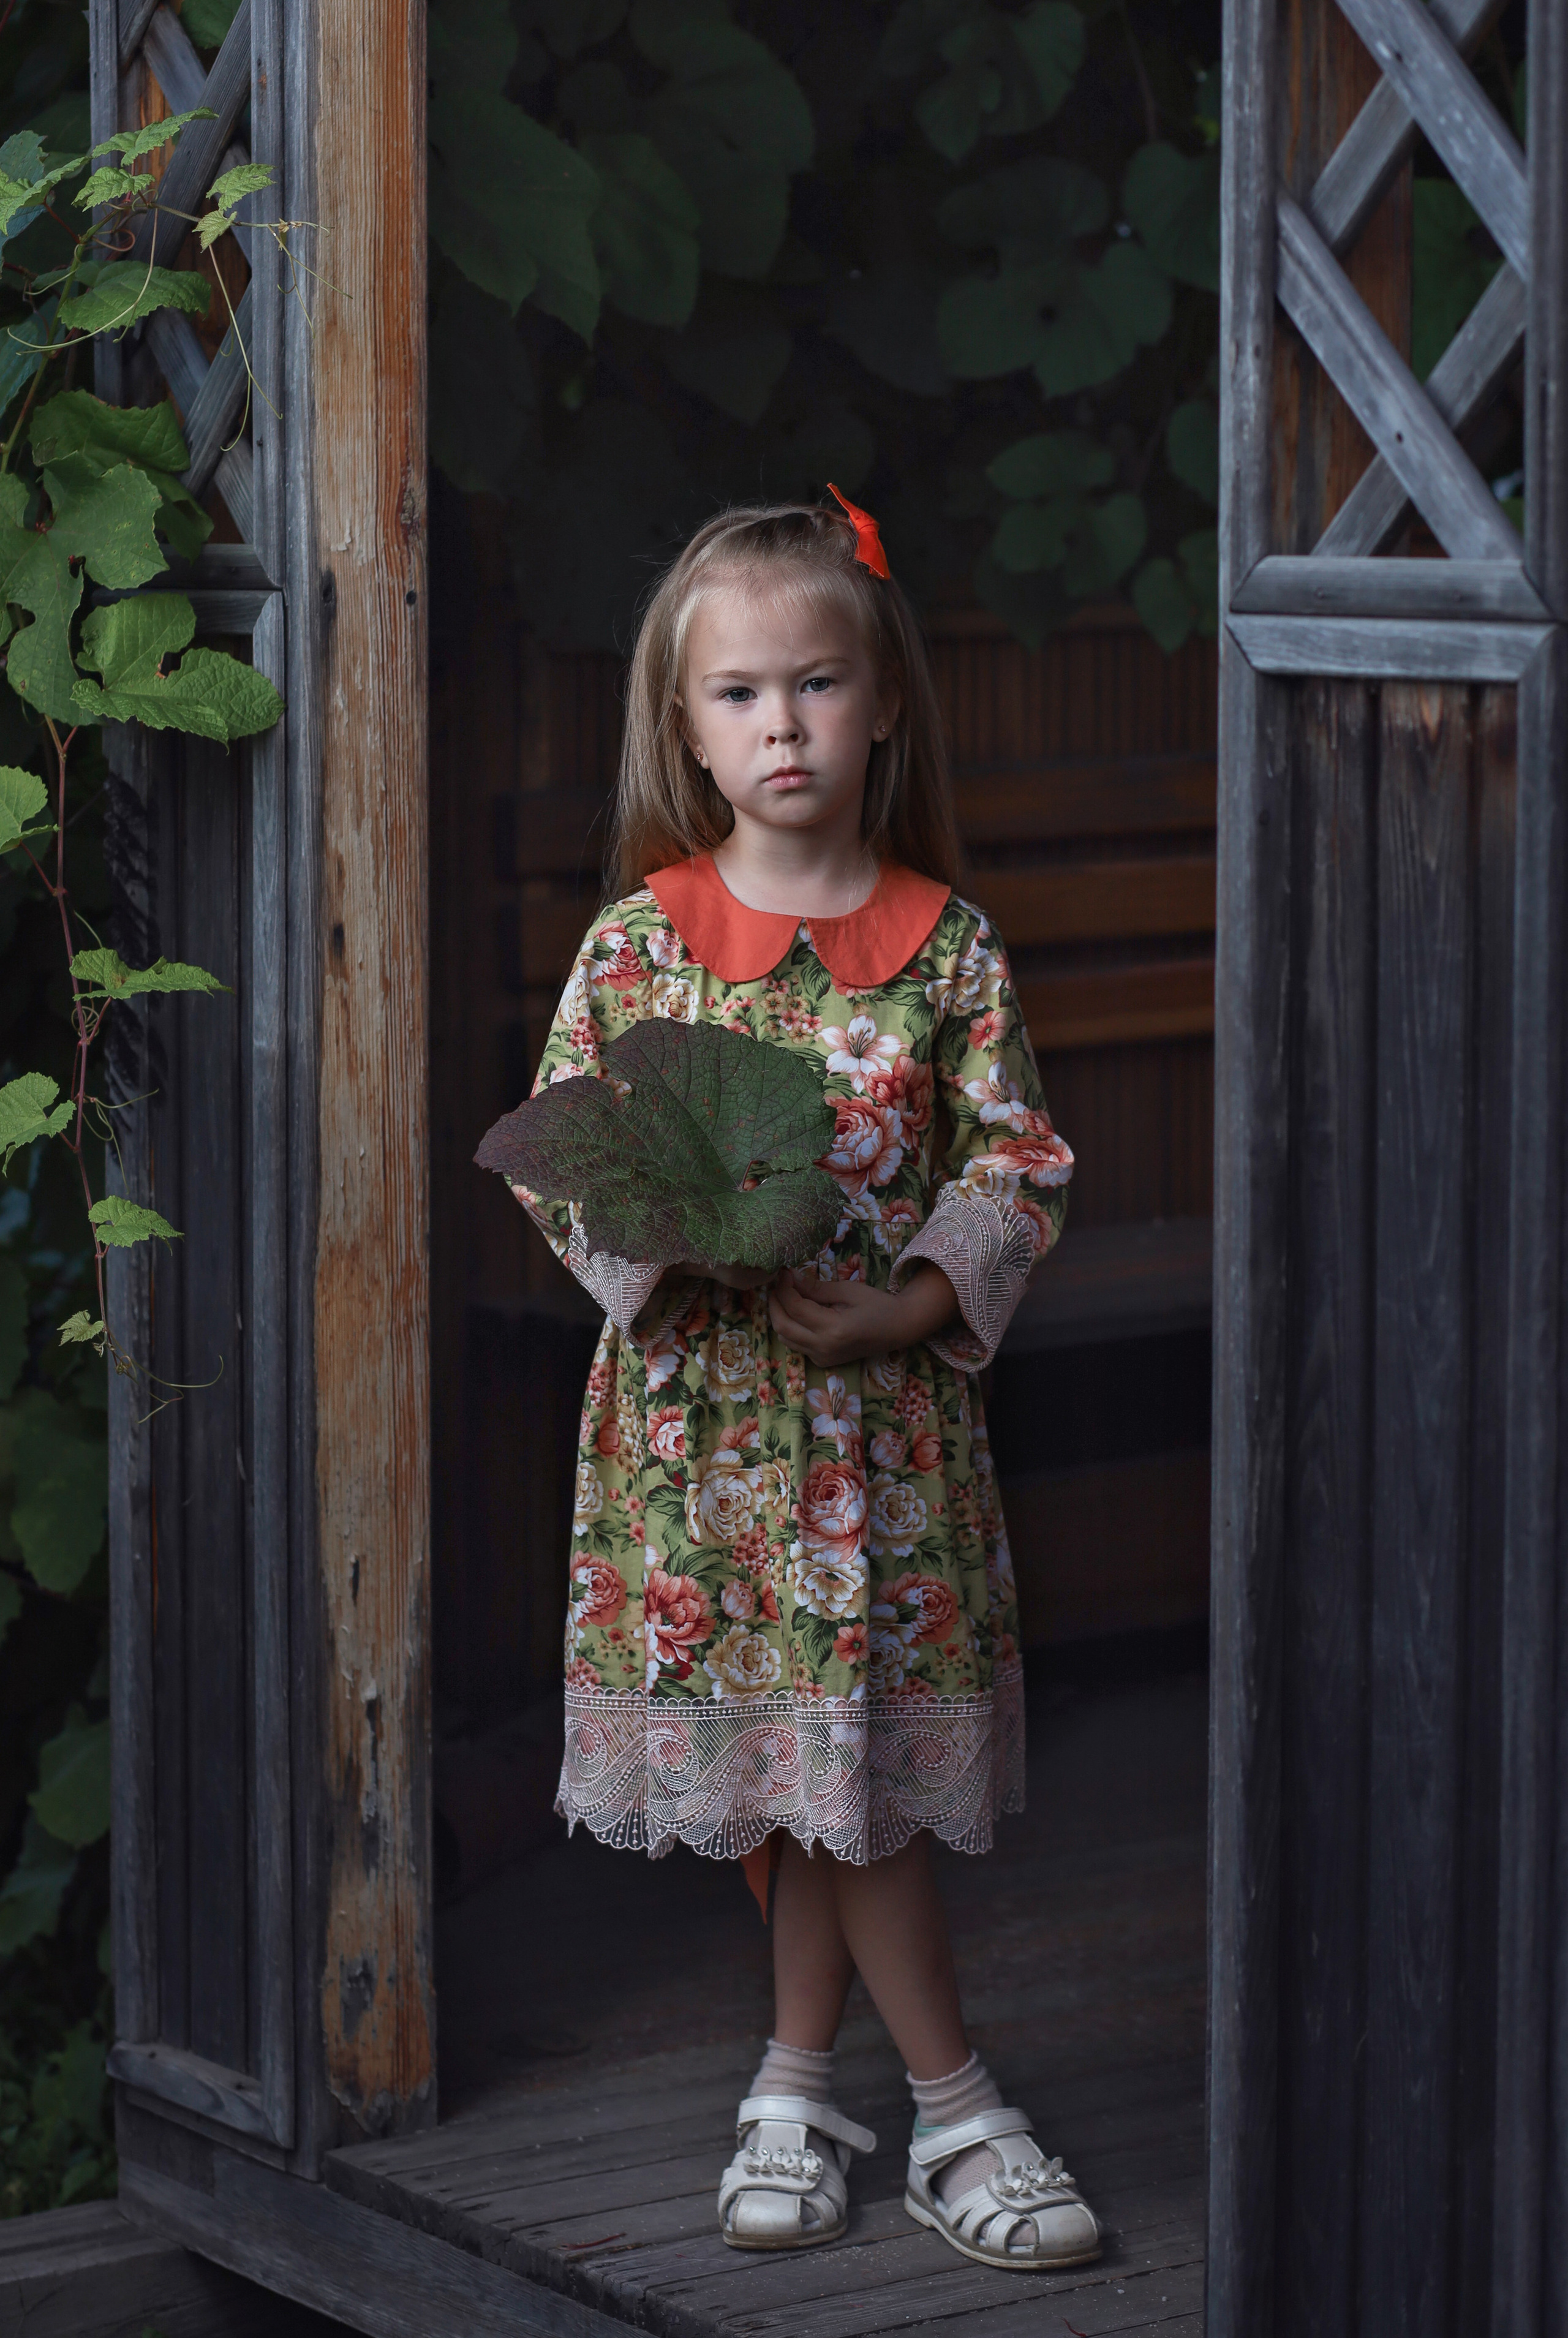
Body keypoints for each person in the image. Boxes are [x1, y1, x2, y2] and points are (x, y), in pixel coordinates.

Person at [510, 491, 1096, 2271]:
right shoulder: (640, 944)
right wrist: (680, 1243)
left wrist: (916, 1302)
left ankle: (817, 2089)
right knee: (803, 1776)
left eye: (819, 684)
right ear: (685, 727)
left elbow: (1021, 1160)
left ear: (885, 700)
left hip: (885, 1447)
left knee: (844, 1775)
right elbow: (558, 1156)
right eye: (742, 693)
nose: (784, 725)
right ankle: (945, 2103)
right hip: (705, 1452)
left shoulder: (950, 948)